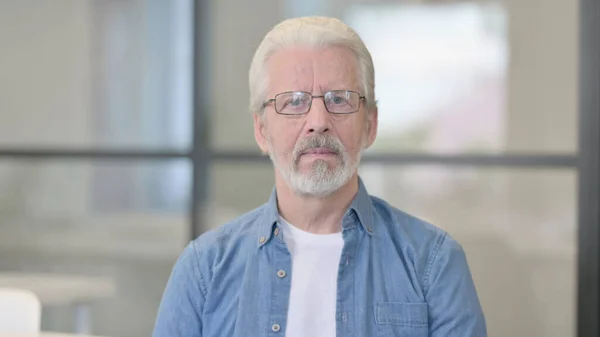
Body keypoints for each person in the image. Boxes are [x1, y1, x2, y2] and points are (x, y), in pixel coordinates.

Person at [153, 16, 486, 337]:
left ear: (370, 124)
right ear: (261, 129)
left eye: (338, 100)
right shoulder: (203, 271)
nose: (318, 120)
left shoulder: (434, 264)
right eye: (293, 101)